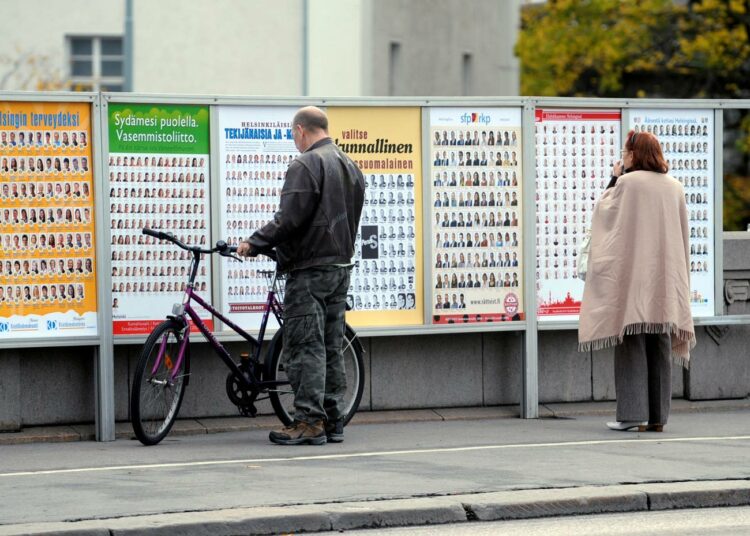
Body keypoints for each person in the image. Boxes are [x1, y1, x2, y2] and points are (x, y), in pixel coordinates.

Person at [238, 106, 365, 446]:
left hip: (308, 270)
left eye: (293, 135)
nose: (294, 141)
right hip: (340, 268)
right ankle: (333, 418)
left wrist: (254, 242)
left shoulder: (306, 164)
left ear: (300, 130)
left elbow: (288, 219)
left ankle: (308, 421)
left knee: (306, 347)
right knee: (330, 345)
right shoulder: (350, 165)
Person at [579, 130, 695, 433]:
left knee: (631, 341)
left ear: (635, 154)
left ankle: (632, 416)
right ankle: (658, 417)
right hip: (666, 280)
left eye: (625, 152)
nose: (622, 157)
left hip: (635, 278)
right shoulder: (675, 187)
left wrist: (615, 177)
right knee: (660, 342)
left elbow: (604, 215)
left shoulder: (628, 184)